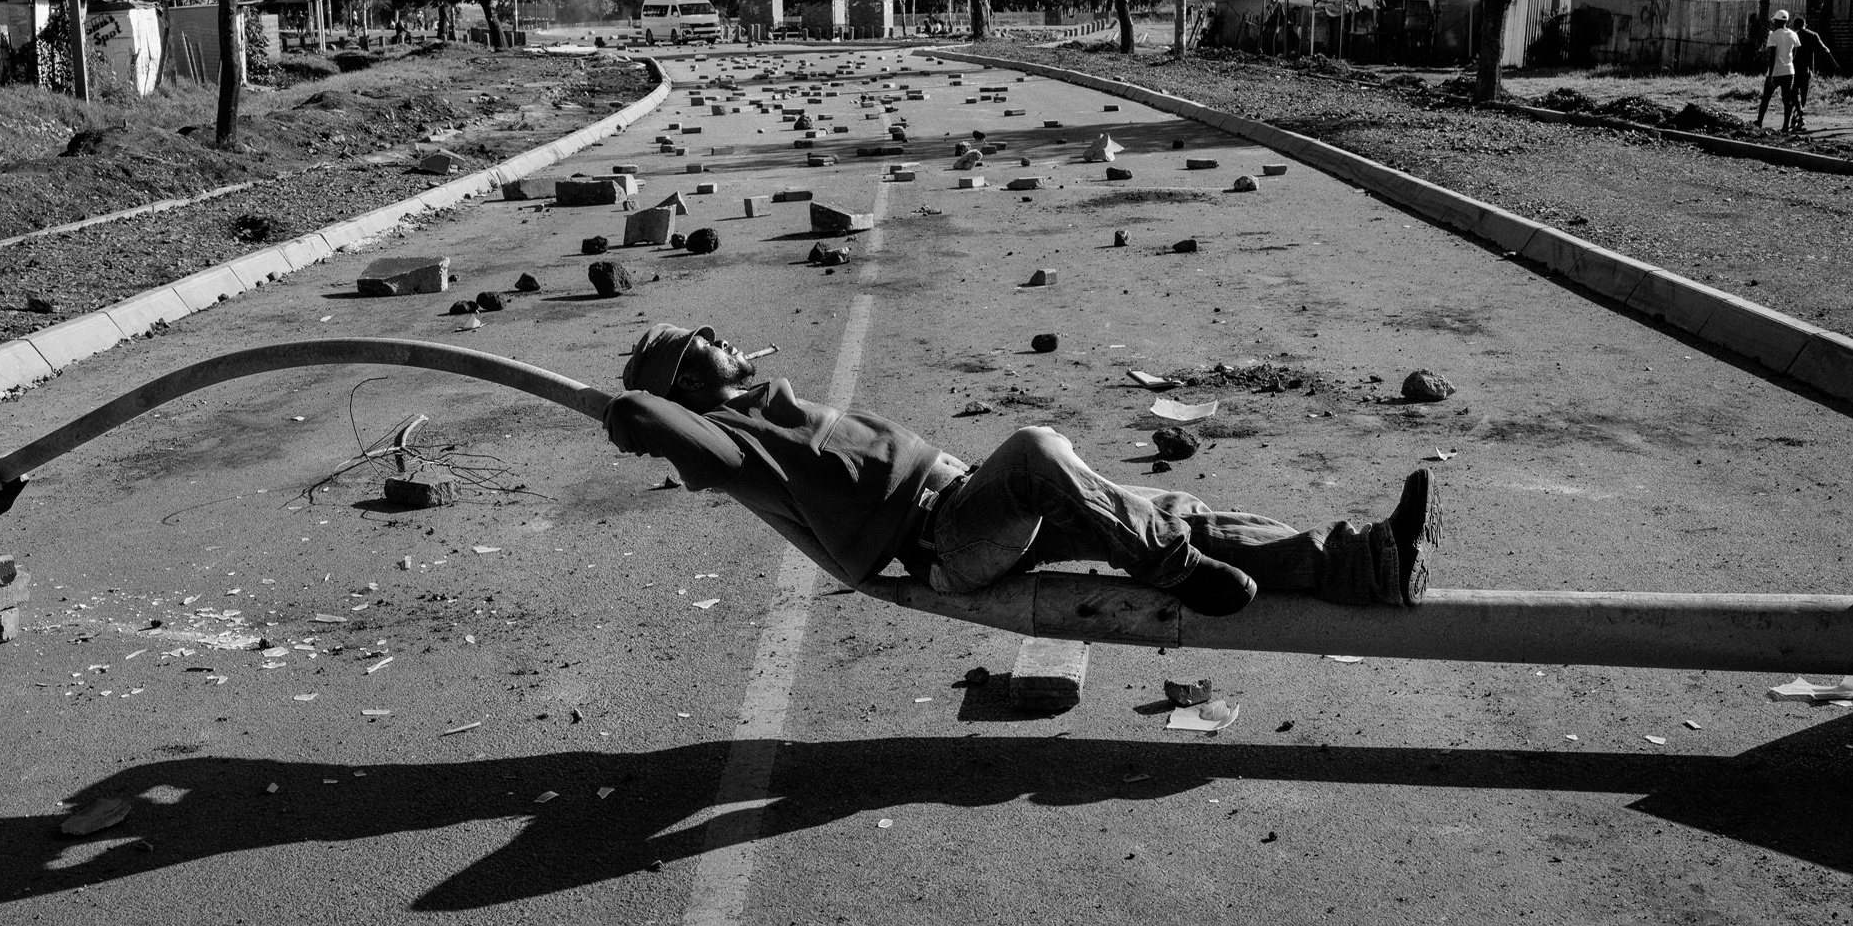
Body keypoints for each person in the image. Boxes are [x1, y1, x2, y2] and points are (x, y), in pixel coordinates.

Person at [603, 324, 1441, 617]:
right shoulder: (732, 440)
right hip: (948, 544)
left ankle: (1372, 564)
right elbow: (646, 421)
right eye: (700, 343)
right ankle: (1175, 569)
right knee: (1039, 448)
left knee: (1173, 501)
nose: (721, 338)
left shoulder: (766, 402)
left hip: (969, 508)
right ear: (686, 382)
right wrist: (629, 410)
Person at [1793, 14, 1841, 130]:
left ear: (1795, 26)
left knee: (1793, 95)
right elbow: (1825, 49)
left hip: (1792, 69)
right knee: (1803, 96)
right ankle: (1796, 120)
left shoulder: (1792, 35)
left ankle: (1796, 119)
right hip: (1806, 70)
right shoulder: (1812, 35)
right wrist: (1834, 64)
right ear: (1805, 25)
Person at [1758, 10, 1802, 132]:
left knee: (1766, 98)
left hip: (1775, 71)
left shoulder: (1773, 35)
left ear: (1776, 21)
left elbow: (1771, 56)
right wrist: (1787, 62)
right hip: (1789, 71)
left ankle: (1759, 121)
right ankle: (1785, 126)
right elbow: (1795, 54)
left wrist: (1771, 75)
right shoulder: (1793, 34)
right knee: (1787, 99)